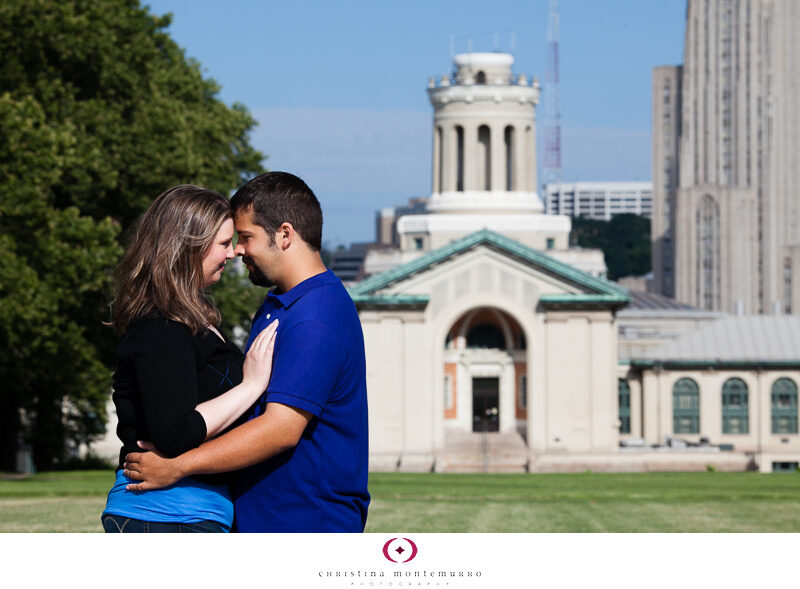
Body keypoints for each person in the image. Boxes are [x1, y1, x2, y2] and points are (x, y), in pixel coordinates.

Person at [123, 172, 370, 532]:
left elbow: (280, 429)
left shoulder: (316, 317)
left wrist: (178, 465)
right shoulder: (280, 304)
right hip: (264, 518)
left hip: (304, 521)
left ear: (284, 235)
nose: (237, 250)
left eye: (246, 237)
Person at [102, 184, 278, 533]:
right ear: (188, 246)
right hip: (163, 515)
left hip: (188, 513)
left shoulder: (188, 320)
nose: (232, 254)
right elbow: (174, 434)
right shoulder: (160, 326)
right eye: (224, 243)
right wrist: (253, 385)